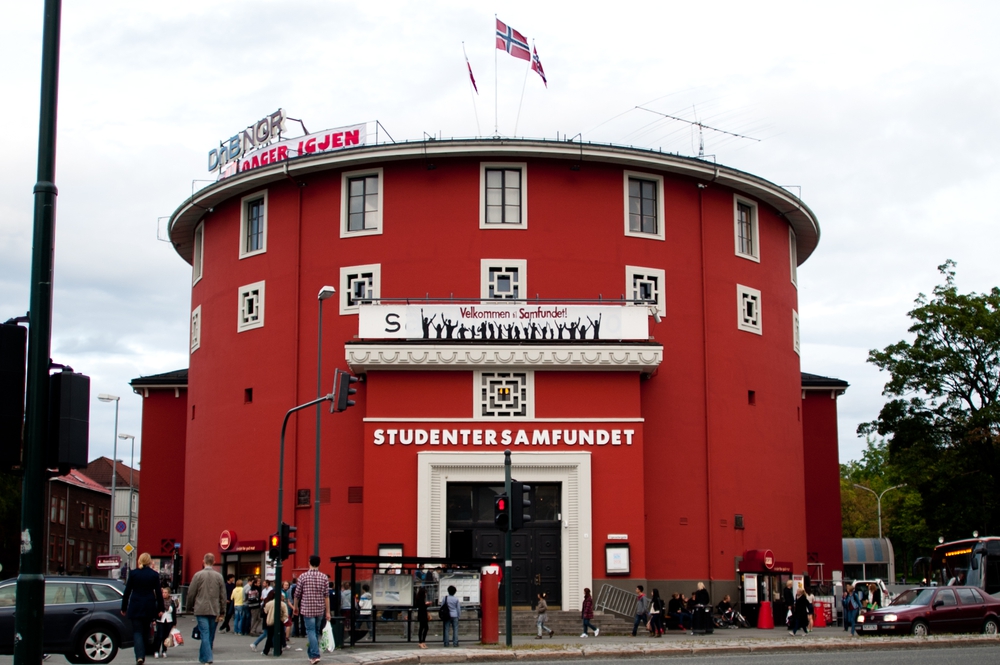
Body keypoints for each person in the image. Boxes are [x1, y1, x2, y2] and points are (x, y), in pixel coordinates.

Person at [121, 552, 165, 665]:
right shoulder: (154, 575)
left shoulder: (134, 574)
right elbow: (159, 593)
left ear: (139, 561)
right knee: (145, 631)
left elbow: (127, 592)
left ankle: (139, 656)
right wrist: (161, 608)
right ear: (150, 562)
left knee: (137, 632)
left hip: (135, 605)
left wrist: (124, 607)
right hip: (149, 606)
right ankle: (143, 653)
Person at [293, 555, 331, 665]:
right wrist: (328, 611)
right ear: (320, 563)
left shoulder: (303, 577)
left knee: (311, 632)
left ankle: (315, 655)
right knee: (315, 632)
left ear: (309, 562)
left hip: (307, 608)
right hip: (319, 608)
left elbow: (297, 594)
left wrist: (295, 607)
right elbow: (326, 596)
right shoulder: (324, 577)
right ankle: (311, 654)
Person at [261, 587, 289, 656]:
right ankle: (278, 650)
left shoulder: (268, 603)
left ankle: (265, 651)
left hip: (270, 621)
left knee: (269, 637)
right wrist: (282, 619)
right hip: (279, 622)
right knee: (279, 636)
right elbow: (285, 614)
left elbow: (265, 611)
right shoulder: (283, 604)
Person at [153, 585, 177, 659]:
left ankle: (164, 651)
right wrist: (154, 619)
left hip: (169, 621)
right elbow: (154, 610)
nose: (164, 594)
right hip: (160, 621)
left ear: (169, 594)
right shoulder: (159, 601)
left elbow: (174, 613)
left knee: (165, 637)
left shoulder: (172, 602)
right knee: (159, 637)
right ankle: (156, 651)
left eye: (166, 592)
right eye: (163, 592)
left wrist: (174, 623)